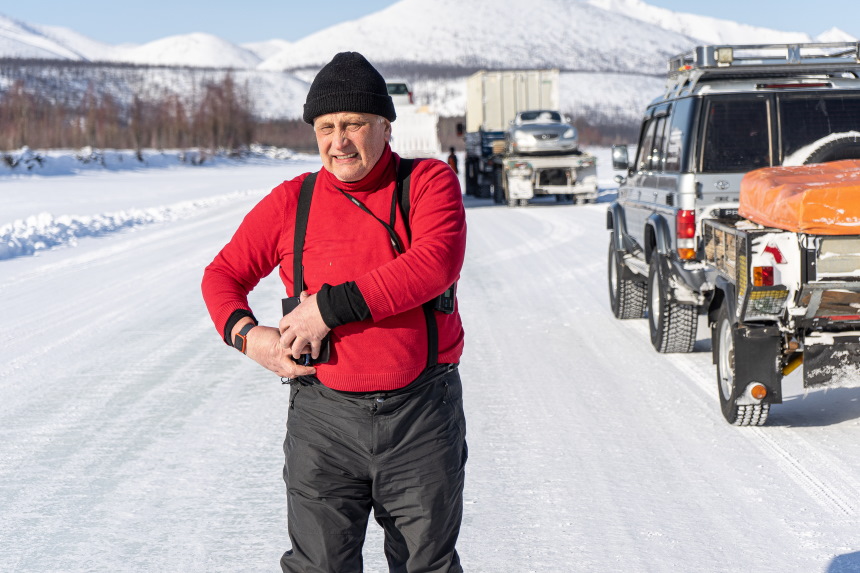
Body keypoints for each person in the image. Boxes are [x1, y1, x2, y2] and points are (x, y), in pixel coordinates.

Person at [201, 51, 468, 573]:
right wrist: (247, 335)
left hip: (421, 415)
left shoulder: (428, 183)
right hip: (323, 421)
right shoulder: (290, 201)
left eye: (354, 125)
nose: (339, 141)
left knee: (426, 567)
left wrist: (327, 308)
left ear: (386, 127)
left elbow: (434, 263)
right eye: (326, 127)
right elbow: (221, 277)